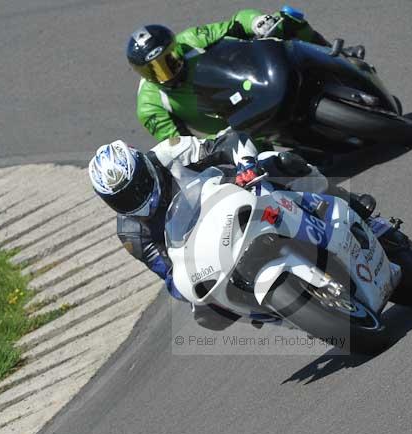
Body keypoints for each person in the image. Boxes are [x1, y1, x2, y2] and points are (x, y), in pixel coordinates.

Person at [88, 130, 376, 329]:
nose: (137, 196)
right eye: (124, 197)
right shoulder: (132, 234)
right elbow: (169, 275)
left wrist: (245, 166)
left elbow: (229, 143)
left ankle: (347, 204)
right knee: (205, 314)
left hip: (235, 194)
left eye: (137, 184)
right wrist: (190, 290)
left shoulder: (168, 153)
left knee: (281, 163)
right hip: (211, 251)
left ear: (142, 166)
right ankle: (285, 314)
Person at [126, 7, 364, 141]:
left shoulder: (190, 40)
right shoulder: (150, 106)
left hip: (253, 79)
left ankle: (334, 54)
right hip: (235, 129)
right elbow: (176, 144)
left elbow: (236, 23)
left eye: (169, 59)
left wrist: (257, 22)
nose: (166, 71)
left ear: (175, 46)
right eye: (155, 69)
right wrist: (213, 146)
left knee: (288, 19)